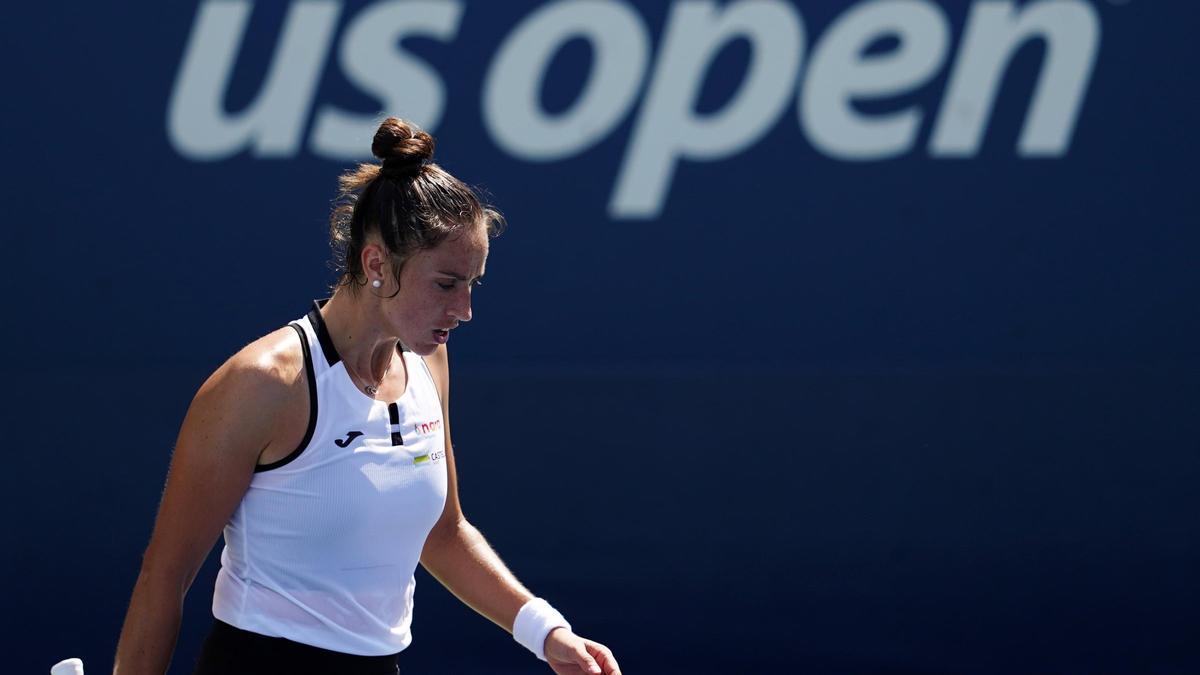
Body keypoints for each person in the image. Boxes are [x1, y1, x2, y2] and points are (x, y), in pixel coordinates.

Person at [113, 118, 622, 675]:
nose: (465, 310)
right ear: (376, 263)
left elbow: (443, 533)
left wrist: (547, 632)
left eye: (473, 284)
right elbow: (164, 575)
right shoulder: (262, 384)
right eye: (446, 284)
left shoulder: (429, 361)